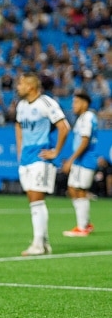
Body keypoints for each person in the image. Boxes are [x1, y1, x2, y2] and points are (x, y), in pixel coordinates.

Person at [15, 72, 70, 256]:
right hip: (26, 158)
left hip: (41, 157)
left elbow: (64, 127)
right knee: (32, 200)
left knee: (37, 199)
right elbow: (18, 125)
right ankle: (43, 243)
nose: (18, 87)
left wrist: (56, 152)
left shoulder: (46, 103)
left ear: (31, 87)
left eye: (21, 84)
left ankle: (38, 244)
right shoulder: (21, 105)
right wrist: (19, 150)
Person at [61, 90, 98, 237]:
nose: (73, 105)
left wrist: (70, 159)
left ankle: (82, 228)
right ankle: (85, 223)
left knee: (80, 190)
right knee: (72, 188)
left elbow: (85, 141)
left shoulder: (88, 117)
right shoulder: (81, 118)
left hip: (86, 159)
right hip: (79, 160)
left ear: (84, 103)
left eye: (76, 102)